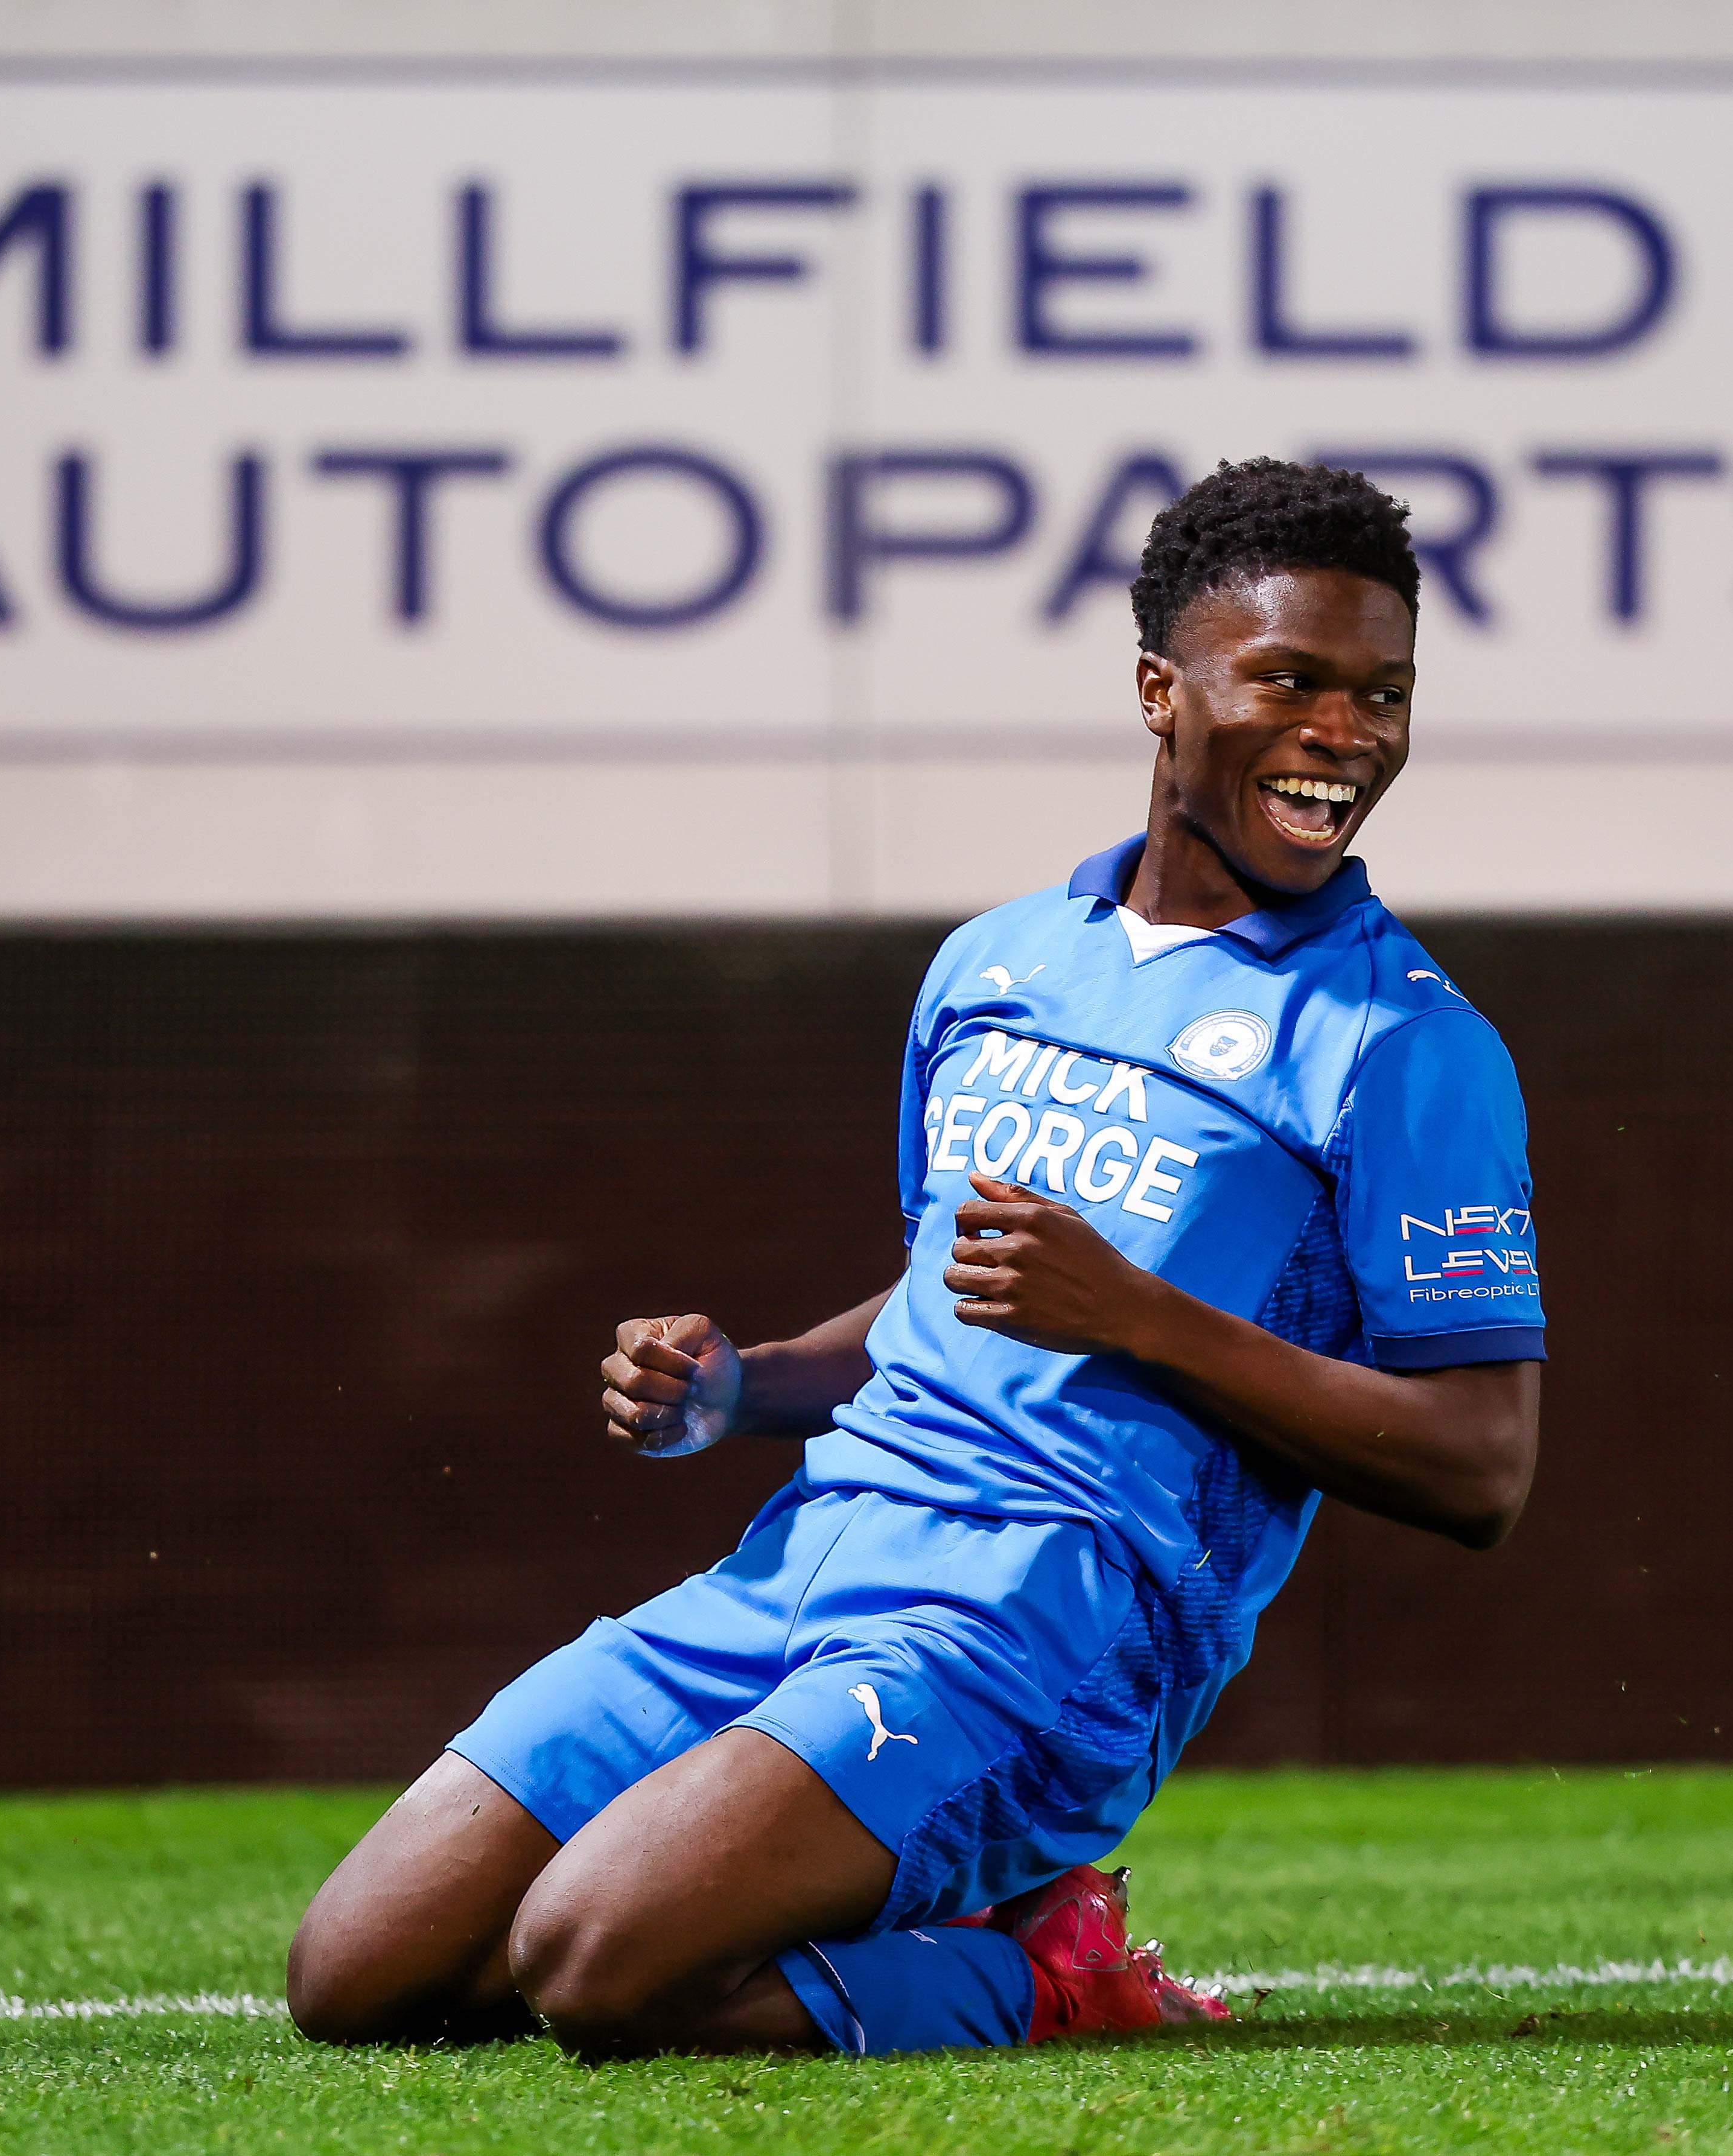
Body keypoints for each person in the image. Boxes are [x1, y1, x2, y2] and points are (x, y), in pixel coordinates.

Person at [287, 457, 1545, 2059]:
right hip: (803, 1553)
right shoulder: (996, 966)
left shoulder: (1403, 1047)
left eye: (1382, 693)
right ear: (1161, 692)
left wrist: (1146, 1322)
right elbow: (942, 1308)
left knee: (596, 1965)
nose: (1346, 733)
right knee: (361, 1978)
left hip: (1046, 1620)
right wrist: (742, 1388)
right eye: (1290, 681)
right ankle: (925, 1895)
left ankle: (1052, 1974)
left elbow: (1480, 1468)